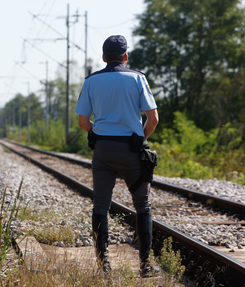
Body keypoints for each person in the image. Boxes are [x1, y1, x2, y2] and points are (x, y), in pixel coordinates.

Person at [74, 35, 159, 277]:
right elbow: (153, 119)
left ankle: (104, 265)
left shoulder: (91, 81)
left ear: (103, 57)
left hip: (103, 150)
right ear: (125, 56)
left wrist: (96, 132)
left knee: (100, 205)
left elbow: (82, 121)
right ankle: (145, 265)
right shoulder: (137, 78)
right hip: (132, 150)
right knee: (142, 205)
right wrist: (140, 140)